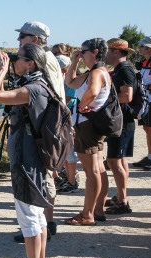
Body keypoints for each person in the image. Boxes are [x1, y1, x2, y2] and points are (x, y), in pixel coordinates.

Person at [0, 43, 57, 258]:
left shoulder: (33, 89)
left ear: (31, 64)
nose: (15, 61)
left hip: (27, 161)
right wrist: (8, 71)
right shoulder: (40, 85)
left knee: (29, 219)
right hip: (33, 159)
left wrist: (2, 70)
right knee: (37, 217)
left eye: (19, 58)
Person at [12, 21, 64, 243]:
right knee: (42, 179)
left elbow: (48, 94)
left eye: (22, 36)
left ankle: (45, 225)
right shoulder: (45, 59)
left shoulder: (46, 60)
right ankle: (41, 225)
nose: (18, 40)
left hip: (42, 129)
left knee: (44, 179)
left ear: (35, 39)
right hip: (42, 126)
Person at [64, 38, 111, 225]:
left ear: (96, 52)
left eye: (84, 51)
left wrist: (82, 107)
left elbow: (91, 92)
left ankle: (88, 214)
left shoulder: (97, 73)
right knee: (98, 169)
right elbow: (71, 82)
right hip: (92, 125)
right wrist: (74, 62)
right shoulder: (94, 72)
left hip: (87, 126)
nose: (81, 54)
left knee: (91, 172)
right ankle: (97, 210)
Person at [103, 38, 136, 215]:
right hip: (123, 120)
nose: (105, 54)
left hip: (121, 121)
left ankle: (123, 201)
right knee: (120, 160)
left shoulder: (123, 70)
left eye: (108, 51)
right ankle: (120, 196)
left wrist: (105, 100)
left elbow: (127, 96)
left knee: (114, 161)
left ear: (116, 52)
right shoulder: (123, 69)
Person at [55, 54, 80, 194]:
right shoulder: (61, 79)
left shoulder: (71, 81)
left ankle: (72, 181)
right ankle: (68, 179)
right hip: (61, 118)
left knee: (70, 151)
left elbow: (68, 100)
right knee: (63, 151)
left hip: (69, 118)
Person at [133, 36, 151, 170]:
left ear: (149, 48)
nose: (140, 48)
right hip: (148, 100)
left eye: (142, 46)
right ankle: (150, 156)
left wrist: (147, 87)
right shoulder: (146, 62)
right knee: (148, 128)